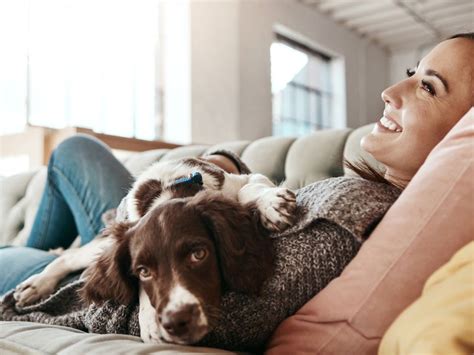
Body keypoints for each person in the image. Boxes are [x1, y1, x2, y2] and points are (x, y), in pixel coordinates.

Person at [0, 32, 472, 296]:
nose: (390, 92)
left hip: (114, 259)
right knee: (73, 150)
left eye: (428, 87)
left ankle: (51, 258)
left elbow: (207, 289)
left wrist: (88, 266)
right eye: (411, 76)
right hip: (136, 223)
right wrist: (222, 165)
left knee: (34, 218)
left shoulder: (356, 211)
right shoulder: (365, 197)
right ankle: (62, 251)